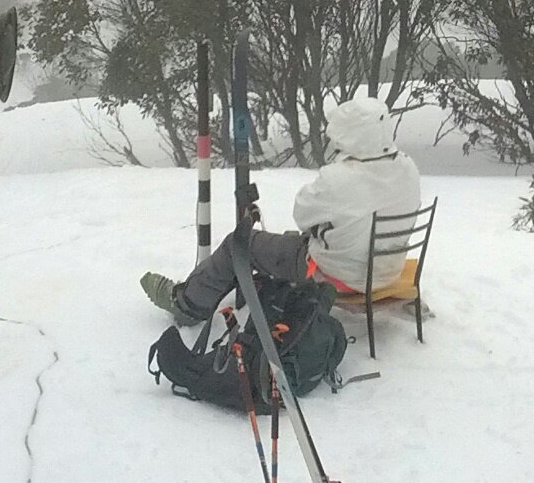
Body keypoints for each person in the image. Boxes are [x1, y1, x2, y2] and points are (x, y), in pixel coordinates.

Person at [141, 92, 423, 328]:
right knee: (290, 242)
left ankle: (187, 304)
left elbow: (302, 215)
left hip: (341, 277)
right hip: (388, 269)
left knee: (241, 243)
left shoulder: (340, 178)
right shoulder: (407, 168)